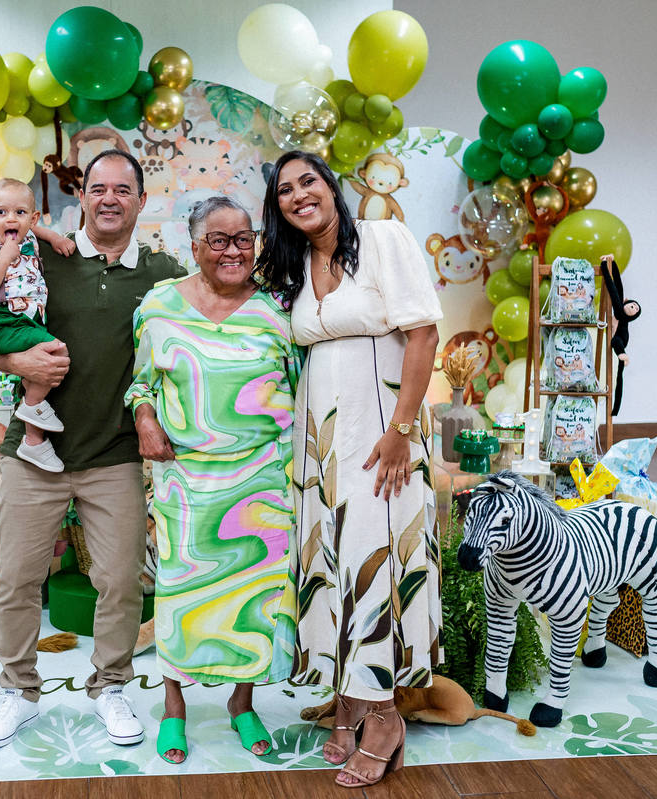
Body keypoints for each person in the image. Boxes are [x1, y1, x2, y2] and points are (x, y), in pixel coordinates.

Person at [0, 150, 187, 750]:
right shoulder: (39, 256)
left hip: (114, 452)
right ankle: (18, 693)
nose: (109, 199)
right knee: (17, 580)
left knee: (120, 581)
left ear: (141, 200)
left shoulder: (163, 273)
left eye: (123, 189)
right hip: (32, 449)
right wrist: (17, 362)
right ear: (83, 197)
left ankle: (111, 686)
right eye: (98, 188)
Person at [256, 150, 443, 789]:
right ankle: (348, 701)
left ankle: (384, 717)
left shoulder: (383, 238)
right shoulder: (297, 266)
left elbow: (423, 335)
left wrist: (401, 431)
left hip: (380, 435)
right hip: (320, 446)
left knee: (373, 559)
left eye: (308, 181)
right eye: (285, 190)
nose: (298, 195)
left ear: (330, 186)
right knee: (331, 562)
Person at [126, 196, 298, 764]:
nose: (233, 251)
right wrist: (145, 419)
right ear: (195, 246)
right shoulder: (159, 306)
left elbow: (300, 389)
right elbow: (141, 382)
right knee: (179, 596)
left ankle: (242, 703)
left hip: (261, 484)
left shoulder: (276, 311)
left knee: (254, 600)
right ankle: (174, 707)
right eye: (219, 240)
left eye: (243, 239)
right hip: (186, 478)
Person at [0, 178, 72, 472]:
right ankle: (32, 407)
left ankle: (34, 441)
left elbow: (36, 231)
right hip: (3, 322)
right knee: (56, 351)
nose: (11, 219)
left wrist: (55, 238)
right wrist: (4, 258)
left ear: (32, 219)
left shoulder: (29, 240)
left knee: (37, 371)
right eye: (1, 212)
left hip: (28, 319)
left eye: (20, 213)